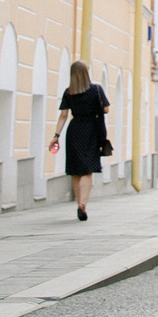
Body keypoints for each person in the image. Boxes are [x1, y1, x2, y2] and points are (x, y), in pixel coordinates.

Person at [46, 61, 111, 222]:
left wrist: (56, 135)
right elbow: (106, 109)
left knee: (76, 171)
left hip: (74, 131)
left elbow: (63, 116)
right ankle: (83, 204)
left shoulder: (69, 92)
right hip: (91, 130)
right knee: (87, 170)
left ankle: (79, 203)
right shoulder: (96, 90)